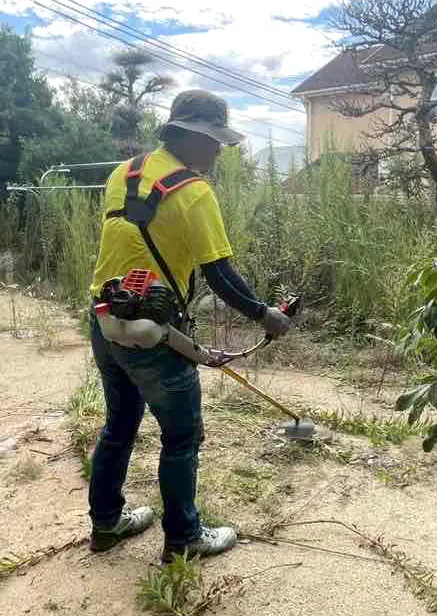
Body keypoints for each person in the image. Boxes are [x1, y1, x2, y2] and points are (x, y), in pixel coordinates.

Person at [86, 89, 291, 562]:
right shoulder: (193, 191)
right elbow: (220, 274)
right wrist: (265, 314)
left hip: (104, 317)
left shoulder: (124, 172)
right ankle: (184, 539)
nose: (219, 150)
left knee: (119, 425)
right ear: (189, 136)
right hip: (153, 333)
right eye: (214, 140)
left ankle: (106, 524)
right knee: (182, 437)